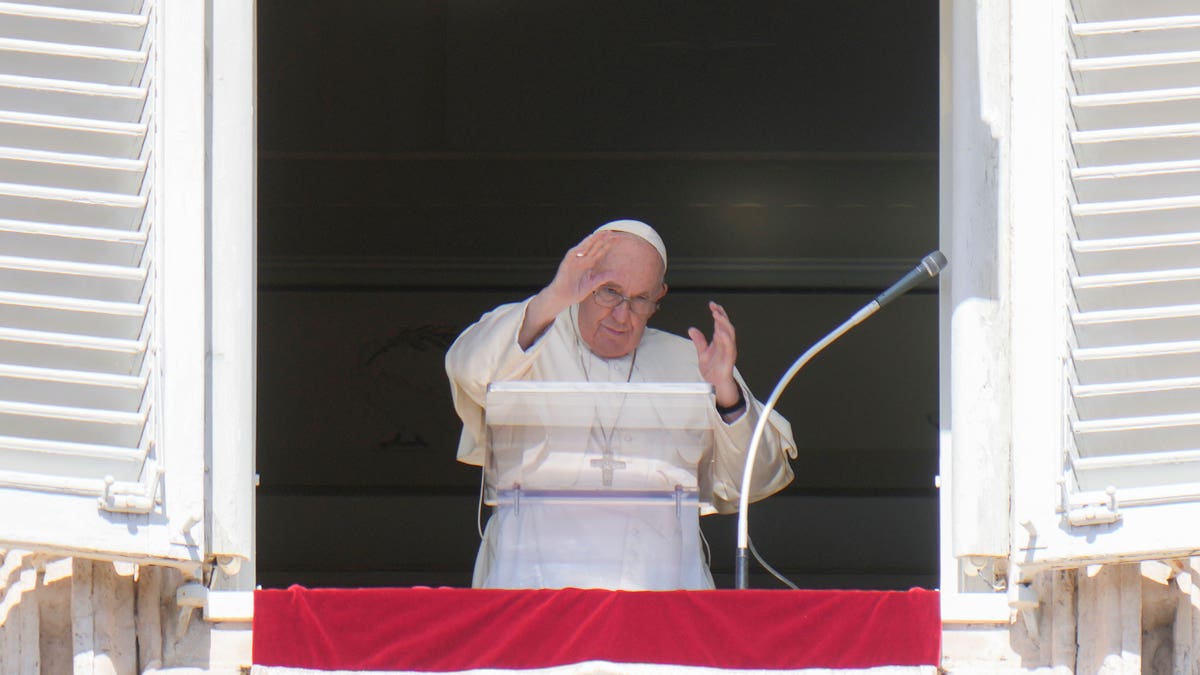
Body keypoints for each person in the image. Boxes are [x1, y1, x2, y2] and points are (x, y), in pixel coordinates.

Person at [446, 219, 796, 589]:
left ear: (658, 297)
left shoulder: (693, 362)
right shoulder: (530, 330)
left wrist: (727, 394)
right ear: (582, 281)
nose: (621, 315)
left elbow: (759, 478)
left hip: (660, 583)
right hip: (531, 579)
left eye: (639, 299)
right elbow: (468, 369)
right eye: (608, 291)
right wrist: (553, 297)